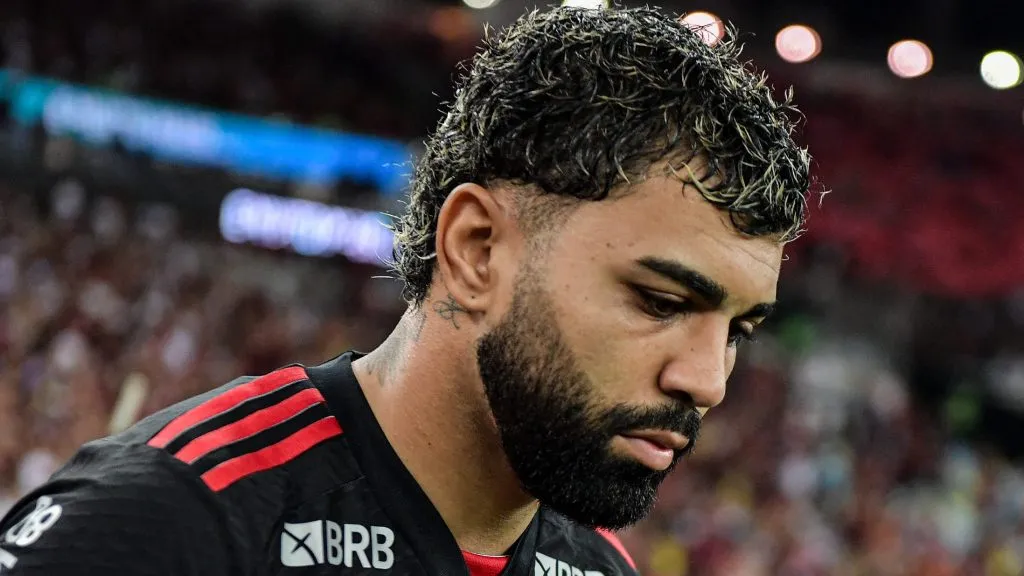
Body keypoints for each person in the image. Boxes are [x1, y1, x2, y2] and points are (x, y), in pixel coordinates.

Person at [0, 6, 812, 575]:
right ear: (477, 249)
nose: (706, 381)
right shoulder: (164, 526)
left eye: (738, 330)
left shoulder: (598, 567)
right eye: (661, 302)